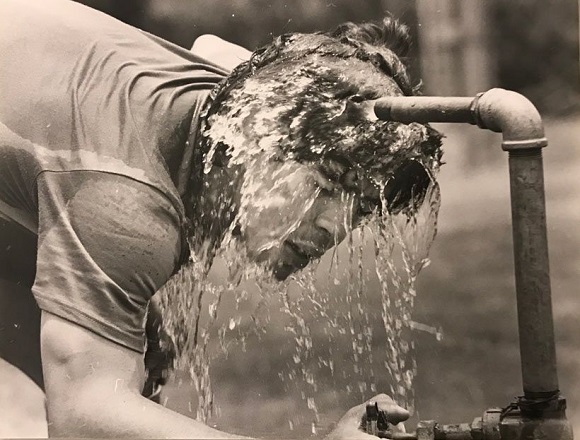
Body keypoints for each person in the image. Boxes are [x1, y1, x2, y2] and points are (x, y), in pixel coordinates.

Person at [0, 0, 442, 437]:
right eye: (325, 185)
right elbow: (81, 419)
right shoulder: (127, 203)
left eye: (360, 206)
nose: (335, 226)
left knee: (139, 353)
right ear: (254, 130)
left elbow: (214, 45)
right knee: (98, 399)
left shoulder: (234, 90)